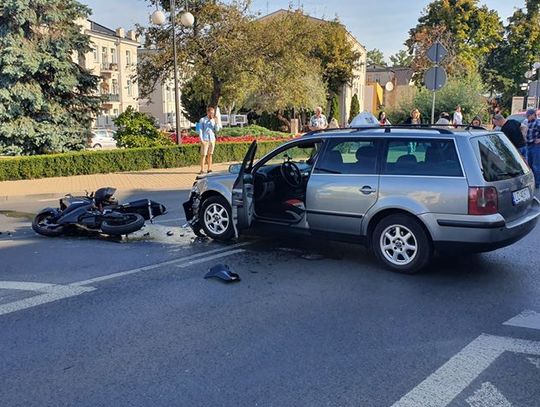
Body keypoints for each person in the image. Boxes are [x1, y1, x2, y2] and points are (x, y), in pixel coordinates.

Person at [198, 106, 221, 174]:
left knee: (210, 154)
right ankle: (202, 170)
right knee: (203, 155)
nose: (212, 114)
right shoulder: (202, 120)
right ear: (207, 112)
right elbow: (200, 130)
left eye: (213, 113)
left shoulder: (213, 120)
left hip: (212, 139)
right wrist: (201, 140)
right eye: (211, 113)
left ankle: (209, 168)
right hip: (205, 139)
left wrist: (216, 123)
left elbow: (217, 130)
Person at [524, 109, 540, 189]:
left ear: (534, 115)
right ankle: (531, 182)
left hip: (536, 146)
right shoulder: (527, 122)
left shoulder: (538, 122)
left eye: (529, 116)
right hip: (528, 145)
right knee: (529, 165)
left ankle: (537, 183)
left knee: (536, 166)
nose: (528, 117)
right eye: (527, 116)